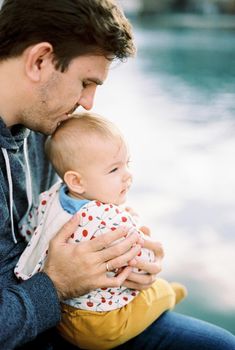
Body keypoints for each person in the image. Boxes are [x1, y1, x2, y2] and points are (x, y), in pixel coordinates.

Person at [0, 0, 234, 349]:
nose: (90, 103)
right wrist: (57, 283)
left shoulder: (46, 128)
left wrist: (125, 257)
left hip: (66, 312)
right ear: (40, 60)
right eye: (85, 83)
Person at [15, 112, 187, 349]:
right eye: (114, 170)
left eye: (128, 164)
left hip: (61, 314)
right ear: (76, 181)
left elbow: (29, 230)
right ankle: (170, 295)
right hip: (101, 326)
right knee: (160, 291)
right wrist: (139, 232)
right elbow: (141, 266)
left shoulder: (50, 198)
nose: (127, 175)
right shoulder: (110, 218)